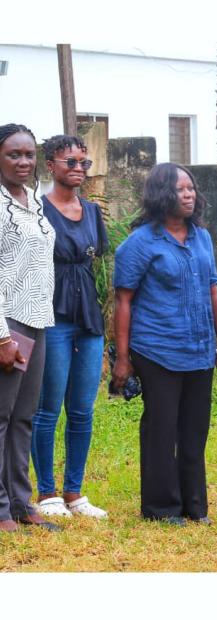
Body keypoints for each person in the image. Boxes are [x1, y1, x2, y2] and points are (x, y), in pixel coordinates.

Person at [112, 162, 217, 526]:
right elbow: (123, 301)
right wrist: (122, 358)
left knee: (195, 430)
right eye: (181, 188)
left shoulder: (200, 238)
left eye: (191, 188)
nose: (189, 194)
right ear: (162, 194)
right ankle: (161, 508)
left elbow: (213, 291)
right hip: (157, 350)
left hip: (198, 350)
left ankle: (195, 507)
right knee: (162, 430)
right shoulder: (139, 244)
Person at [30, 135, 108, 520]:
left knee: (82, 410)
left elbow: (97, 264)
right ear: (51, 166)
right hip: (52, 317)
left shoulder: (92, 212)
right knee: (48, 409)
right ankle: (46, 492)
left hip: (88, 320)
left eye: (84, 163)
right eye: (70, 162)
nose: (78, 169)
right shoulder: (37, 209)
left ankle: (75, 492)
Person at [0, 123, 61, 533]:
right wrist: (2, 335)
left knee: (25, 416)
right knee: (1, 417)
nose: (24, 162)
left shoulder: (34, 201)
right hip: (9, 321)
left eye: (28, 154)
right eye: (13, 155)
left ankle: (21, 503)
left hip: (38, 319)